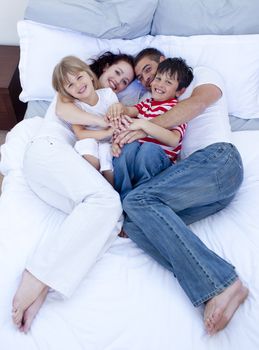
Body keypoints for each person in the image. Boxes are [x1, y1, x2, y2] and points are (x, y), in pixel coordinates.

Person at [112, 48, 249, 335]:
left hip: (217, 161)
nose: (149, 82)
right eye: (142, 78)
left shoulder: (202, 76)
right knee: (135, 224)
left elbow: (197, 105)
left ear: (164, 63)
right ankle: (218, 287)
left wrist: (143, 127)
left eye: (150, 70)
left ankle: (221, 281)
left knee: (137, 200)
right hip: (199, 188)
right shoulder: (148, 102)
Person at [11, 51, 135, 333]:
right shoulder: (69, 97)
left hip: (51, 176)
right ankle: (35, 273)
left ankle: (45, 284)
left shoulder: (107, 101)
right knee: (106, 201)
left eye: (125, 81)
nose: (117, 83)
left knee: (110, 220)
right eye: (115, 74)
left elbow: (131, 114)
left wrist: (124, 113)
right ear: (98, 72)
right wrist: (110, 120)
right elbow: (70, 116)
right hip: (48, 152)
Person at [109, 57, 193, 199]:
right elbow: (129, 111)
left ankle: (141, 196)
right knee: (128, 147)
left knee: (149, 149)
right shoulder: (146, 104)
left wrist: (145, 125)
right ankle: (122, 195)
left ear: (179, 91)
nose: (160, 84)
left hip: (158, 163)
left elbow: (173, 140)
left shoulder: (176, 109)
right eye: (158, 78)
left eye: (168, 82)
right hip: (136, 163)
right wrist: (119, 107)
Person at [52, 55, 119, 184]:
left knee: (106, 153)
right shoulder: (75, 107)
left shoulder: (108, 95)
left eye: (79, 77)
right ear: (66, 92)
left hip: (109, 142)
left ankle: (109, 190)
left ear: (89, 74)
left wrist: (111, 137)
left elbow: (116, 123)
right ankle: (91, 184)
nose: (78, 85)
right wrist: (105, 133)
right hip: (90, 140)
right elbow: (80, 133)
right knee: (86, 147)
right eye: (70, 85)